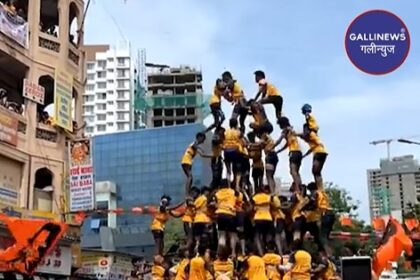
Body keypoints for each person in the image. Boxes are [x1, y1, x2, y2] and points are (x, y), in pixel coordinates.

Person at [275, 116, 303, 192]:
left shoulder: (285, 130)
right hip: (299, 152)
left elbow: (279, 141)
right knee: (296, 171)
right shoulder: (290, 130)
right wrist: (279, 151)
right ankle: (300, 187)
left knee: (293, 171)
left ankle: (297, 189)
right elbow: (287, 144)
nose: (279, 126)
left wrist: (272, 147)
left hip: (293, 152)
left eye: (279, 125)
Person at [299, 125, 328, 191]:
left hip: (318, 152)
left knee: (315, 172)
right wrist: (304, 155)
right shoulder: (312, 138)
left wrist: (295, 134)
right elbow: (311, 149)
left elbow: (305, 134)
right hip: (322, 152)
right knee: (316, 172)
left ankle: (320, 188)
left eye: (305, 130)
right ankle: (320, 188)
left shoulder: (311, 134)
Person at [213, 179, 237, 257]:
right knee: (232, 234)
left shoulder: (218, 193)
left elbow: (215, 203)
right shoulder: (232, 192)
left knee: (222, 235)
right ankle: (233, 253)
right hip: (230, 214)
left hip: (220, 214)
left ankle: (219, 253)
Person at [223, 118, 245, 191]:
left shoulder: (225, 132)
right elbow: (244, 142)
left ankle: (229, 186)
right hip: (235, 151)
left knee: (228, 170)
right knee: (238, 170)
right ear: (236, 124)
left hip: (226, 151)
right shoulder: (238, 132)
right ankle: (237, 185)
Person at [302, 182, 324, 253]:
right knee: (316, 237)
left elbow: (313, 204)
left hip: (314, 219)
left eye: (310, 190)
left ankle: (321, 251)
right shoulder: (319, 194)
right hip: (312, 219)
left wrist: (304, 208)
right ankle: (319, 250)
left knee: (317, 237)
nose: (310, 192)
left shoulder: (316, 194)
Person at [252, 185, 273, 256]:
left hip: (258, 218)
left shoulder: (255, 197)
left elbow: (252, 208)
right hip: (268, 218)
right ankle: (270, 252)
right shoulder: (268, 197)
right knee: (268, 236)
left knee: (257, 236)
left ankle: (261, 254)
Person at [193, 187, 212, 251]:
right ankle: (203, 247)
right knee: (204, 234)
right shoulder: (203, 198)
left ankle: (197, 245)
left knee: (198, 235)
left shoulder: (199, 199)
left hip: (198, 219)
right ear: (204, 191)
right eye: (208, 191)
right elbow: (195, 206)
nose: (208, 193)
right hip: (202, 219)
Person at [183, 187, 199, 253]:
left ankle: (187, 251)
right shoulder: (190, 199)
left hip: (189, 220)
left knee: (190, 238)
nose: (197, 195)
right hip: (188, 220)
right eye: (196, 193)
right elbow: (190, 204)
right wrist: (197, 205)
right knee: (190, 240)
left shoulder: (192, 200)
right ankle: (181, 250)